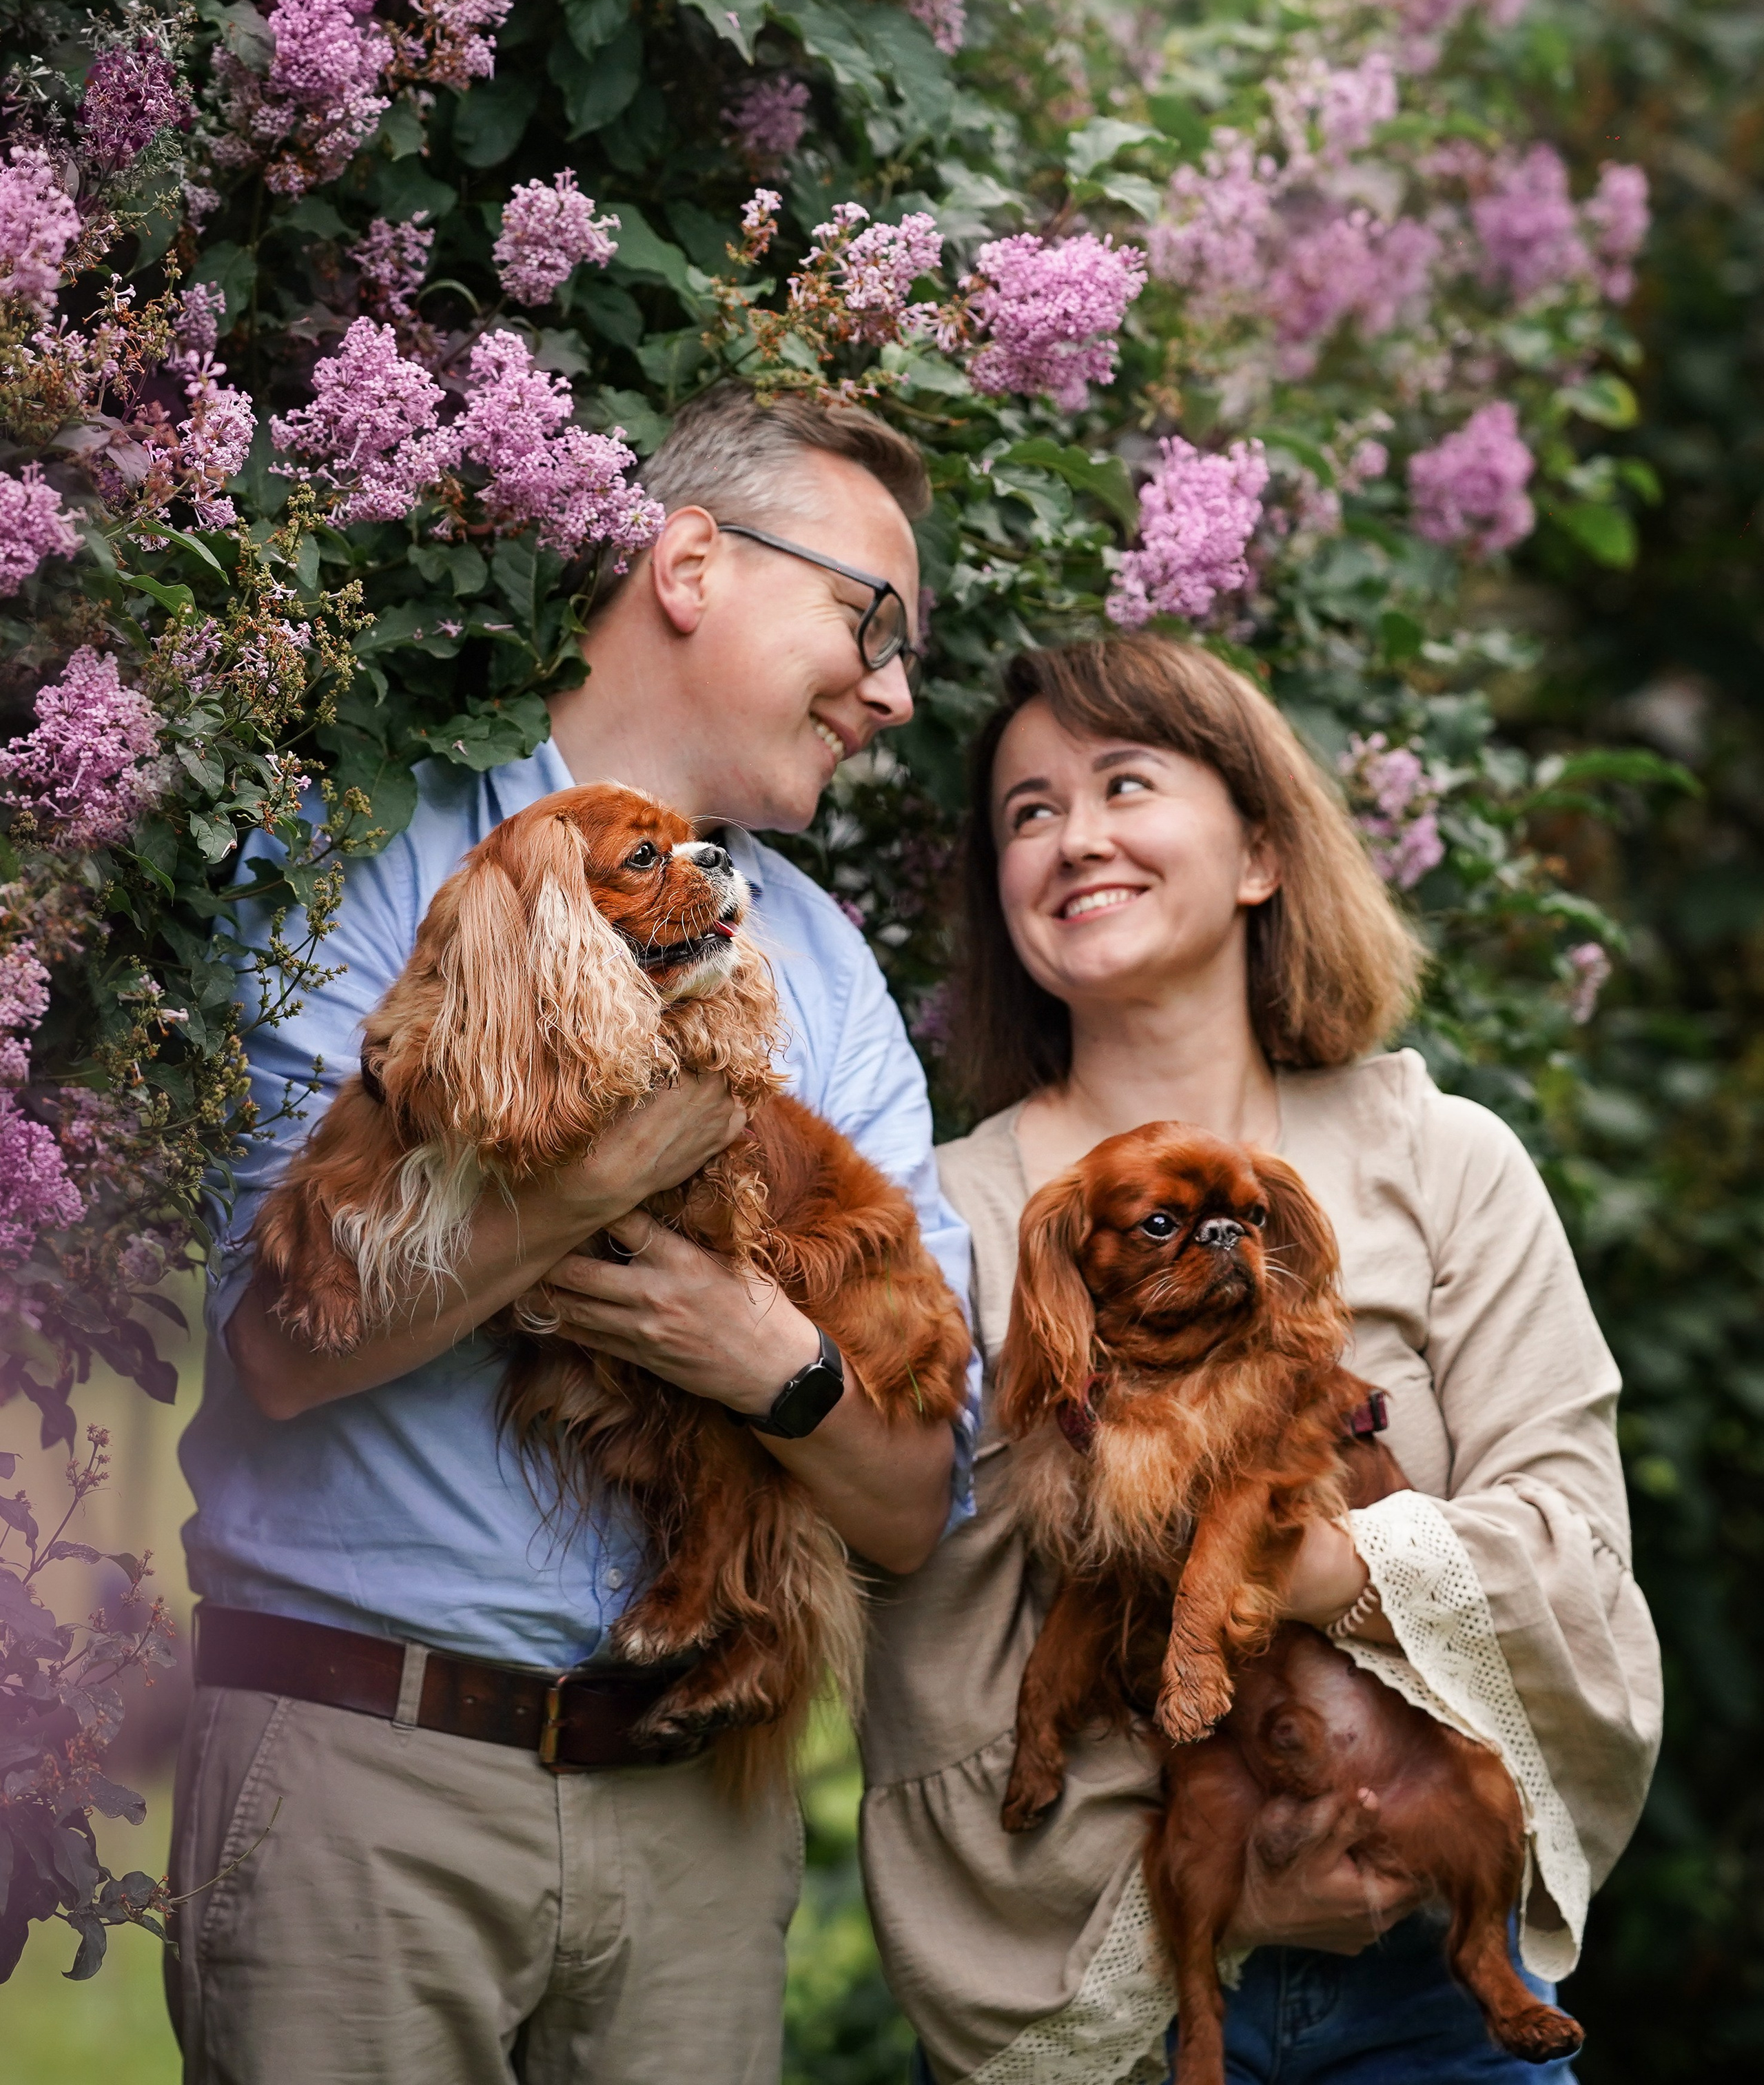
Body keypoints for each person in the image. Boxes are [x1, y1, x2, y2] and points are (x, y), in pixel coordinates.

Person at [168, 383, 977, 2085]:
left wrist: (775, 1370)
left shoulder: (823, 972)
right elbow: (275, 1350)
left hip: (695, 1816)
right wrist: (610, 1176)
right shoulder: (372, 855)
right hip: (364, 1777)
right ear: (690, 560)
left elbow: (911, 1507)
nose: (894, 693)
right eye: (869, 620)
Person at [859, 635, 1663, 2085]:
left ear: (1258, 853)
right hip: (1094, 2002)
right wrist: (1215, 1869)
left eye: (1123, 784)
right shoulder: (944, 1212)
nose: (1074, 836)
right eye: (1026, 813)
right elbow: (931, 1664)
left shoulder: (1437, 1156)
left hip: (1434, 1995)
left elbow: (1573, 1550)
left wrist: (1300, 1569)